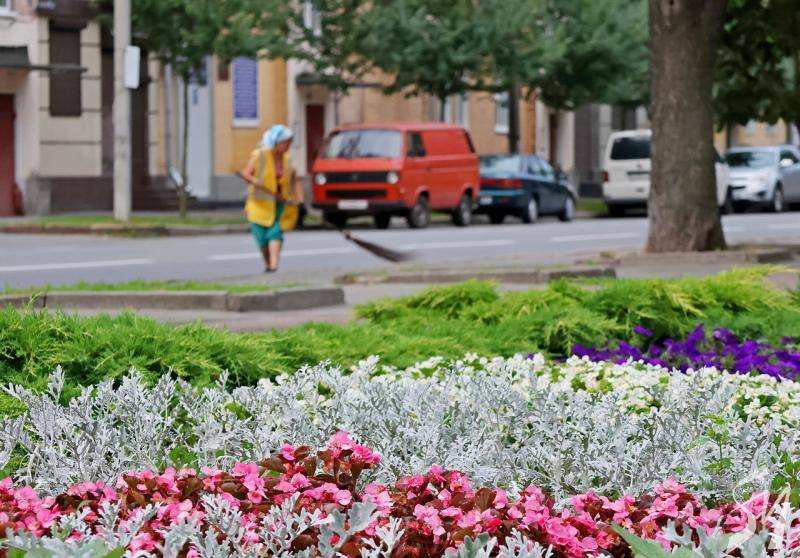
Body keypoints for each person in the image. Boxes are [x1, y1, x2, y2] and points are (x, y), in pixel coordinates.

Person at [241, 125, 304, 272]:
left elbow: (295, 180)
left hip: (280, 204)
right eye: (286, 143)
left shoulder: (288, 160)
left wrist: (300, 200)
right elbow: (246, 174)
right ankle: (268, 263)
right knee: (261, 239)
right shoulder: (259, 156)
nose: (289, 146)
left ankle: (274, 266)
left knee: (275, 233)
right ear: (276, 142)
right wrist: (254, 181)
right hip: (259, 205)